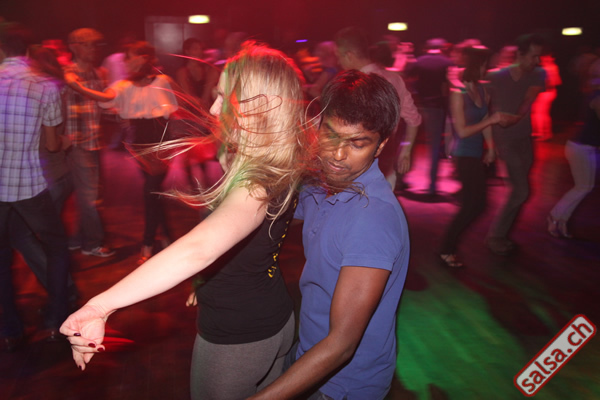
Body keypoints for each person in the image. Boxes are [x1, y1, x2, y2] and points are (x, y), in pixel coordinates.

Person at [60, 42, 309, 399]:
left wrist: (100, 306)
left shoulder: (256, 183)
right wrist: (205, 280)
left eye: (224, 97)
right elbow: (248, 242)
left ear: (260, 106)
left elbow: (199, 249)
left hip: (238, 337)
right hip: (271, 315)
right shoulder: (275, 161)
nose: (214, 108)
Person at [250, 70, 410, 400]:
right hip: (309, 353)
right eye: (331, 135)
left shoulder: (372, 220)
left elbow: (341, 345)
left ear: (380, 145)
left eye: (357, 143)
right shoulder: (326, 185)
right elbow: (281, 209)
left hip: (342, 386)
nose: (338, 155)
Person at [66, 41, 178, 264]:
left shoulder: (163, 81)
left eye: (129, 56)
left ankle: (148, 243)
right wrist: (76, 86)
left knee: (151, 191)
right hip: (139, 144)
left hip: (161, 143)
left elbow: (180, 105)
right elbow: (105, 98)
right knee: (153, 193)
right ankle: (166, 236)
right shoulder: (123, 85)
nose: (125, 61)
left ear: (143, 58)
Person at [0, 22, 69, 350]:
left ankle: (10, 330)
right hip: (28, 185)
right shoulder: (45, 85)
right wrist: (66, 141)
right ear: (27, 51)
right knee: (56, 247)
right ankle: (56, 320)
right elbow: (53, 146)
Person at [439, 46, 509, 268]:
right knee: (474, 204)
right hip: (463, 154)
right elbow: (462, 131)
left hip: (477, 154)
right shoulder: (458, 94)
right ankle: (446, 248)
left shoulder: (483, 90)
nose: (487, 69)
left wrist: (491, 148)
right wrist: (492, 120)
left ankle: (447, 247)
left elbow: (485, 119)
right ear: (476, 66)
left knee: (476, 204)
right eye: (485, 65)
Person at [334, 27, 421, 190]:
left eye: (339, 56)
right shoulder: (395, 79)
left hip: (357, 168)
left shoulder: (352, 85)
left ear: (349, 55)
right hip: (386, 164)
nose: (338, 62)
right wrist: (406, 152)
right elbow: (414, 120)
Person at [485, 34, 546, 255]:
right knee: (521, 191)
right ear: (519, 55)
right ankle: (495, 236)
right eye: (533, 56)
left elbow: (528, 100)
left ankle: (502, 235)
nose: (537, 61)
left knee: (519, 191)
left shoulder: (538, 73)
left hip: (525, 138)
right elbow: (484, 107)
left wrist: (516, 118)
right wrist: (489, 144)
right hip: (505, 140)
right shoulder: (496, 77)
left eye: (539, 56)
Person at [63, 28, 115, 257]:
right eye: (88, 44)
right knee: (90, 196)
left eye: (96, 44)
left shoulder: (98, 72)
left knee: (88, 194)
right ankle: (92, 243)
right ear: (73, 47)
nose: (93, 49)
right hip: (76, 143)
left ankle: (76, 239)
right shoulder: (66, 74)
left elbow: (103, 105)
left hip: (95, 141)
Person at [547, 84, 599, 238]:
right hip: (579, 148)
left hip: (586, 148)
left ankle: (562, 219)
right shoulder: (597, 97)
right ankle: (554, 215)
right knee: (582, 187)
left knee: (586, 187)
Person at [405, 38, 453, 195]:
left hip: (418, 106)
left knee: (409, 142)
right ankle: (432, 185)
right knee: (434, 147)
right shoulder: (447, 62)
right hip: (436, 107)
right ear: (442, 48)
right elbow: (447, 87)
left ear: (427, 48)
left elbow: (407, 80)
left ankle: (400, 179)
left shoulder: (419, 61)